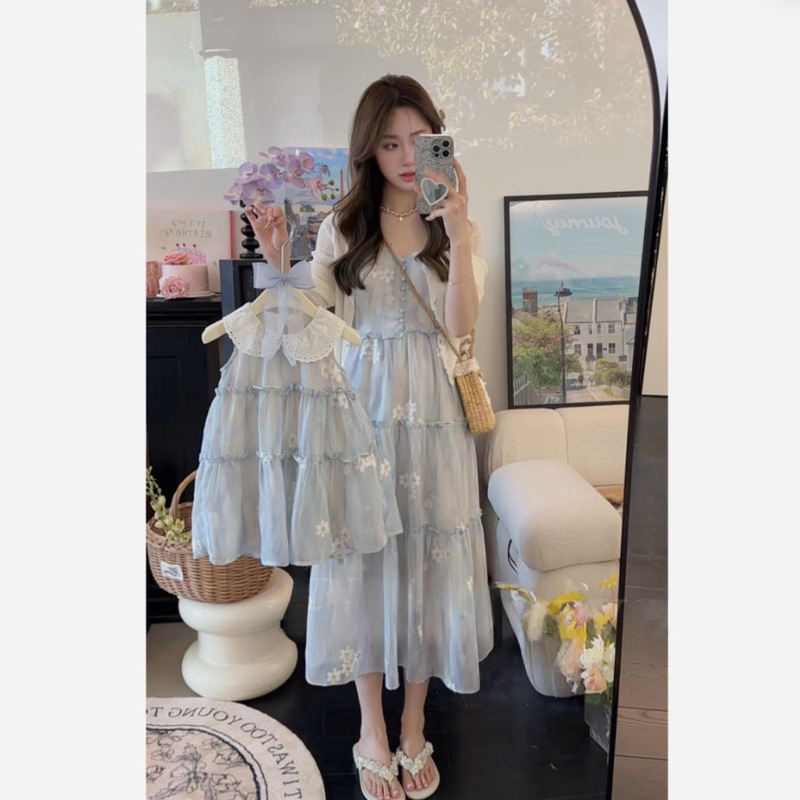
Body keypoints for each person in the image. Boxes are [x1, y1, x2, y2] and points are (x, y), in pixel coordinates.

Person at [244, 74, 493, 800]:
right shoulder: (344, 226)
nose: (407, 156)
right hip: (362, 418)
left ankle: (413, 724)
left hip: (436, 421)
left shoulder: (456, 226)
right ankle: (371, 729)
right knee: (363, 561)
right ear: (369, 151)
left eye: (419, 139)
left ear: (439, 139)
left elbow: (461, 329)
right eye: (389, 143)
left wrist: (457, 229)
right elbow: (308, 323)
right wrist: (280, 260)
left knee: (428, 564)